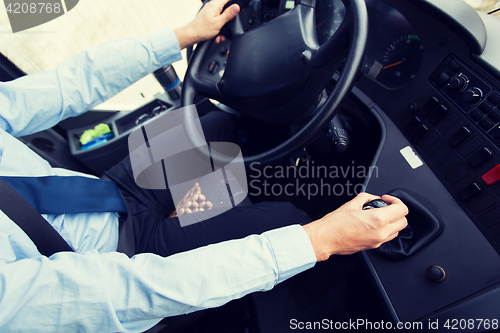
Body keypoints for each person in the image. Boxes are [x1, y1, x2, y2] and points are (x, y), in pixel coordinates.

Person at [0, 0, 409, 331]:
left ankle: (222, 197)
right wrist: (318, 240)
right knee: (293, 217)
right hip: (129, 260)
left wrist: (182, 35)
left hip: (114, 192)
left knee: (228, 126)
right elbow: (126, 293)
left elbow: (56, 88)